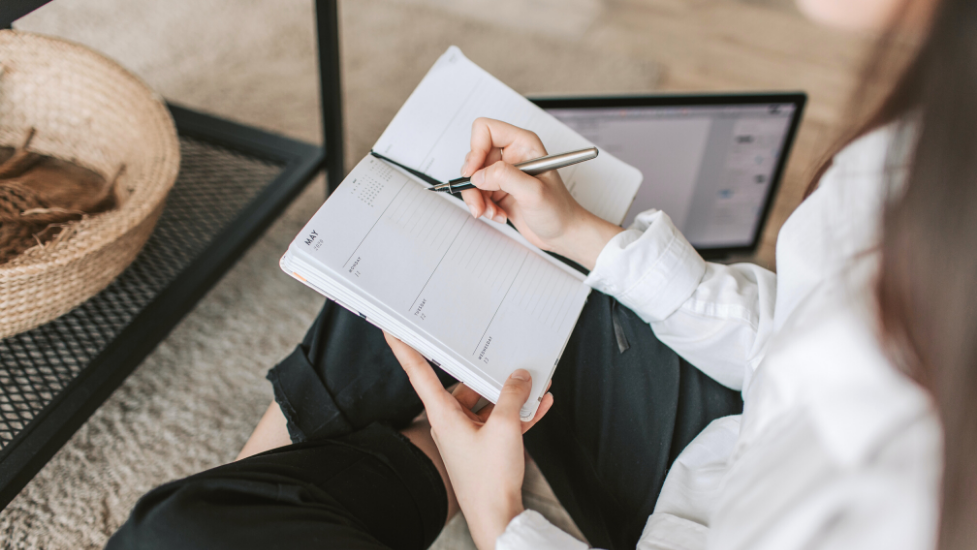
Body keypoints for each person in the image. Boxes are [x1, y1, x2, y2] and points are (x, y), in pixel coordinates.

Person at [107, 0, 977, 547]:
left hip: (700, 520)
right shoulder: (923, 140)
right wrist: (585, 234)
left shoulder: (917, 498)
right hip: (734, 446)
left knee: (177, 528)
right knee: (467, 238)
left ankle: (347, 472)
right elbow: (795, 334)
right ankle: (372, 461)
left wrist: (502, 516)